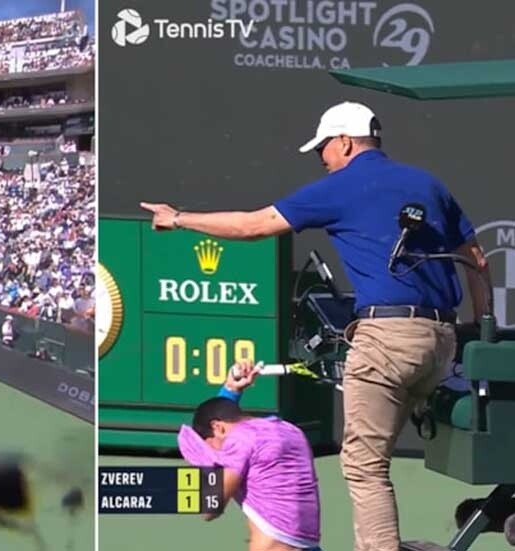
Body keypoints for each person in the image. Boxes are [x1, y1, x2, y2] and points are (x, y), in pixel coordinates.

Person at [142, 101, 490, 551]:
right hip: (442, 344)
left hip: (387, 342)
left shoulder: (343, 186)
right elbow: (477, 261)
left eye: (323, 148)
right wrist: (481, 332)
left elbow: (254, 225)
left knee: (364, 465)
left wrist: (178, 218)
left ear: (345, 142)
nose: (322, 159)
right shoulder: (428, 184)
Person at [180, 361, 322, 551]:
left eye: (213, 448)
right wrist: (230, 391)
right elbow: (224, 415)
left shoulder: (240, 439)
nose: (218, 455)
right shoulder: (291, 431)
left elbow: (209, 509)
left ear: (218, 428)